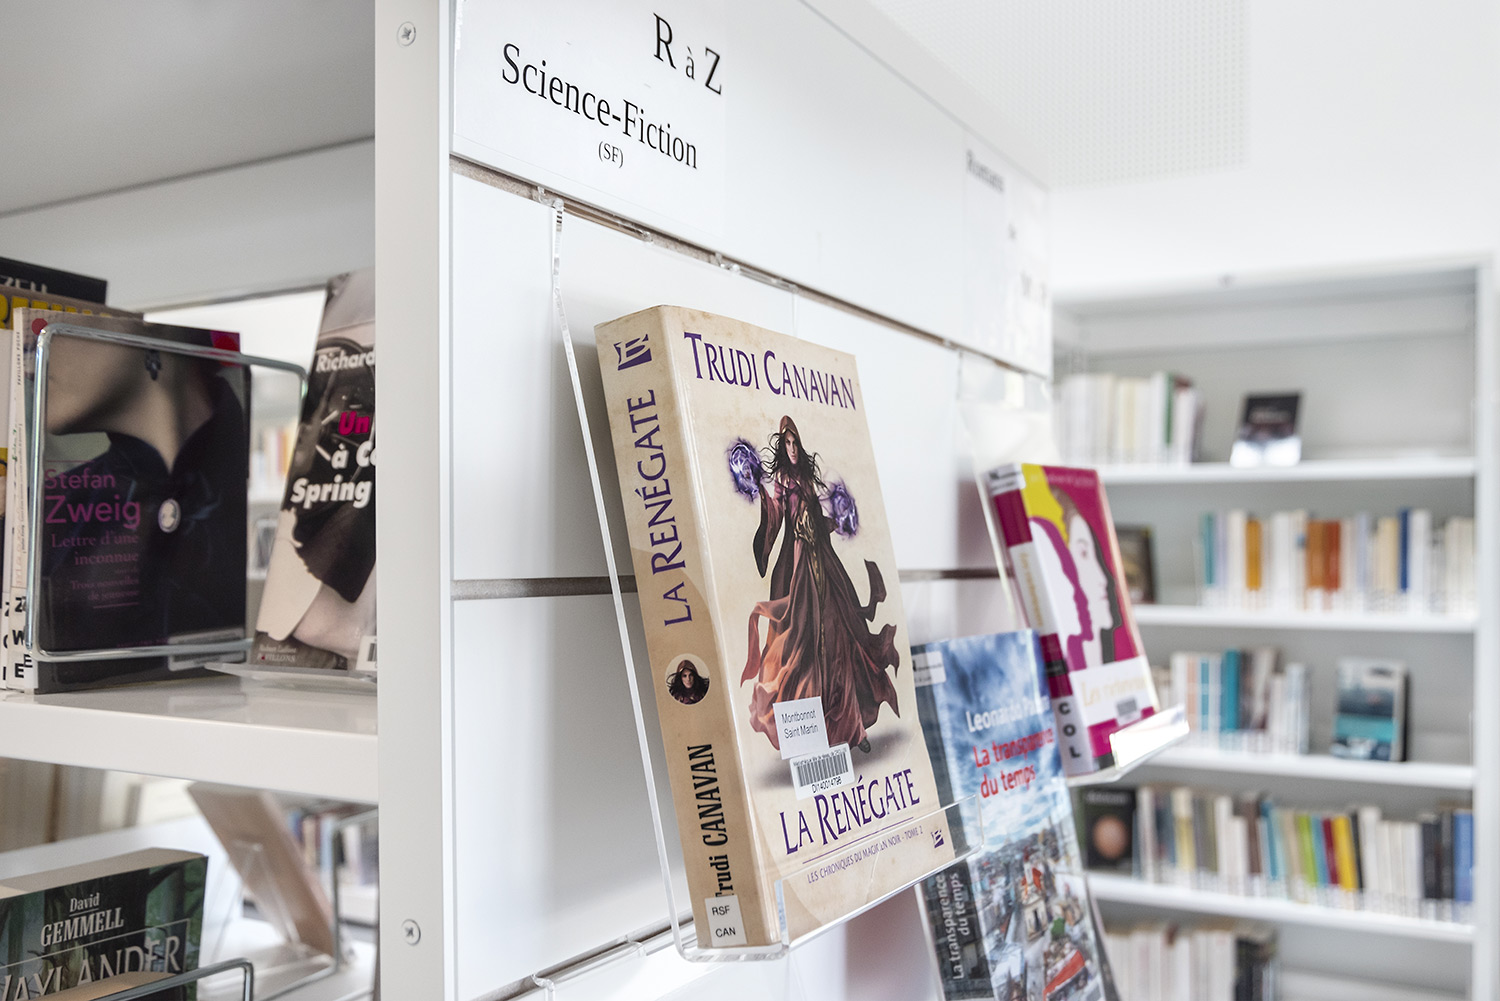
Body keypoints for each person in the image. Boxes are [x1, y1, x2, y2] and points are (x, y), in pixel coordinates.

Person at [740, 415, 899, 753]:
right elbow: (776, 517)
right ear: (782, 447)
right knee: (804, 646)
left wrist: (837, 520)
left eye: (795, 442)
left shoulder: (806, 479)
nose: (792, 448)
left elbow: (816, 516)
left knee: (843, 637)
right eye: (787, 444)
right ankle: (812, 733)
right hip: (799, 567)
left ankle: (854, 727)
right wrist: (763, 498)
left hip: (822, 561)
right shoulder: (782, 480)